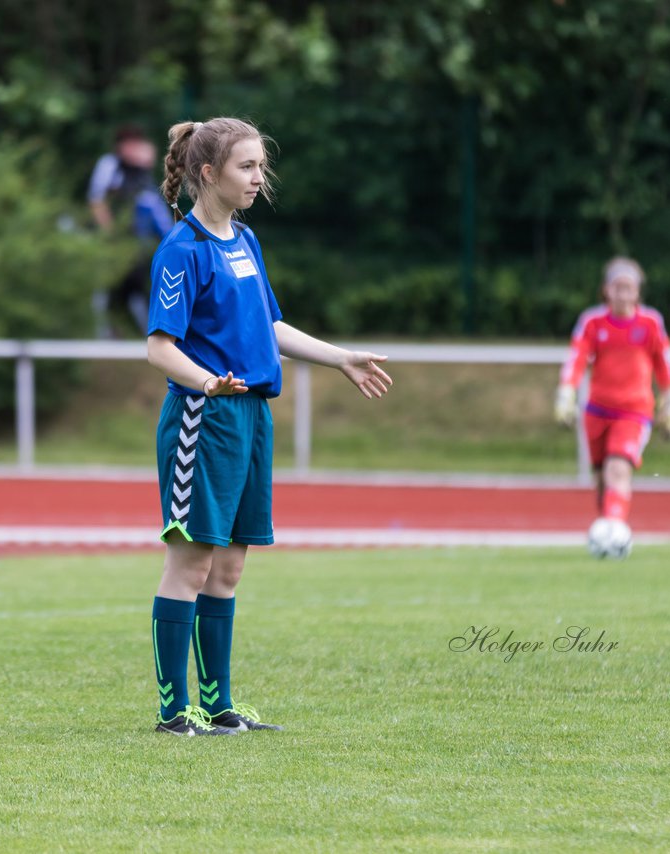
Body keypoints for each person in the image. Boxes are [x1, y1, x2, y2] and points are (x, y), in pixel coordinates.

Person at [144, 117, 394, 736]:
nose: (260, 179)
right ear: (209, 173)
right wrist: (206, 381)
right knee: (192, 563)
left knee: (229, 567)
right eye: (247, 167)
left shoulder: (245, 241)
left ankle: (219, 705)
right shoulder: (182, 249)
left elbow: (270, 328)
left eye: (261, 167)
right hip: (205, 418)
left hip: (252, 415)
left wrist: (340, 357)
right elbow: (159, 347)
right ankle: (175, 713)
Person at [554, 256, 670, 537]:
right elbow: (577, 358)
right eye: (617, 287)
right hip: (598, 411)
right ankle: (608, 528)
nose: (623, 294)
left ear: (638, 292)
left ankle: (615, 530)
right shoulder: (592, 322)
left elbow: (663, 363)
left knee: (618, 468)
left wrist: (669, 402)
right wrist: (567, 391)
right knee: (602, 478)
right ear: (606, 290)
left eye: (629, 288)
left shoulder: (650, 323)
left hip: (634, 411)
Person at [87, 125, 174, 337]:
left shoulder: (143, 178)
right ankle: (109, 333)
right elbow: (96, 200)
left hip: (140, 242)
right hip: (117, 240)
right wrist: (111, 234)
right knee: (113, 288)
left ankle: (150, 334)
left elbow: (157, 214)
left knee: (138, 286)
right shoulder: (110, 165)